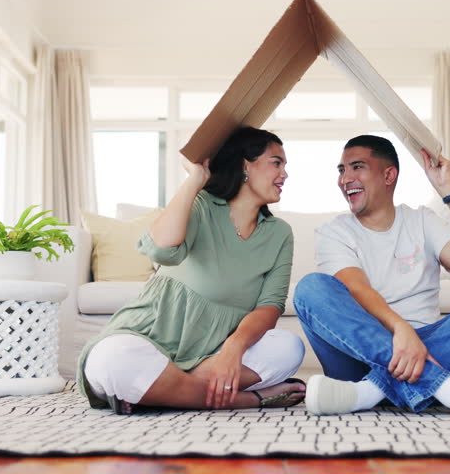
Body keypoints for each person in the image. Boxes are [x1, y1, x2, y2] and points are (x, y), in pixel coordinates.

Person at [76, 126, 307, 414]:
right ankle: (245, 399)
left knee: (288, 349)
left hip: (213, 353)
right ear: (245, 165)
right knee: (112, 360)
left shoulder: (279, 233)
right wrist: (195, 180)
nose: (284, 174)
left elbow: (270, 306)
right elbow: (161, 250)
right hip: (146, 336)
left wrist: (233, 350)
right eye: (277, 163)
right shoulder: (202, 206)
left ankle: (157, 391)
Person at [293, 134, 450, 418]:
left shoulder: (422, 220)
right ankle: (445, 389)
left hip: (428, 345)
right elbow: (357, 289)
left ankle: (367, 393)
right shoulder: (334, 232)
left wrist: (448, 191)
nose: (345, 178)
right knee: (310, 289)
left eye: (357, 167)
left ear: (388, 175)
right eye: (342, 170)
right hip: (358, 356)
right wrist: (401, 330)